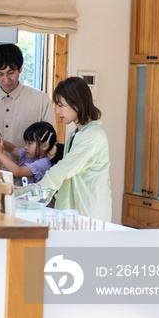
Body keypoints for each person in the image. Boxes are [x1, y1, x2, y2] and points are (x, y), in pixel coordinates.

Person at [37, 76, 111, 221]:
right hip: (73, 210)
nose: (58, 111)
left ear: (77, 104)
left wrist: (32, 193)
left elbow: (60, 171)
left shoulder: (93, 136)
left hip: (89, 213)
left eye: (61, 105)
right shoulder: (74, 134)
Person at [0, 44, 56, 160]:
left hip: (29, 177)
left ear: (20, 69)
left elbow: (51, 144)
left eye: (11, 72)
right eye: (0, 74)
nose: (6, 79)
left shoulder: (41, 100)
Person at [0, 121, 59, 185]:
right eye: (25, 143)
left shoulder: (43, 164)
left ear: (45, 146)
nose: (26, 147)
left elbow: (18, 172)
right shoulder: (30, 155)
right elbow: (12, 148)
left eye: (30, 143)